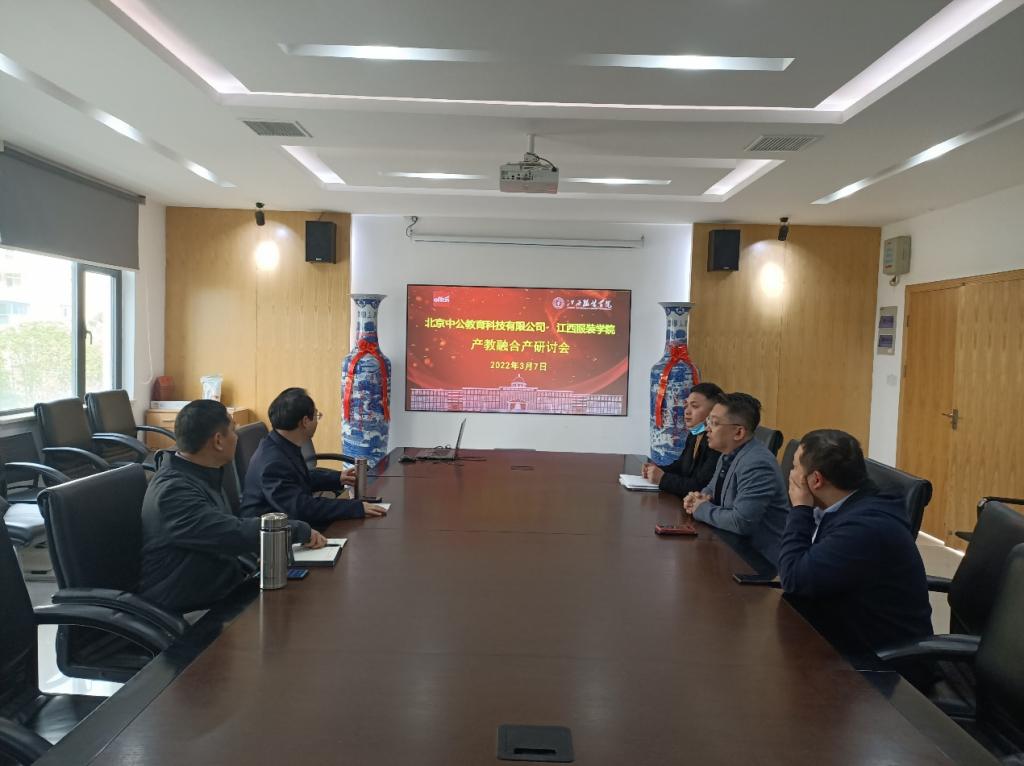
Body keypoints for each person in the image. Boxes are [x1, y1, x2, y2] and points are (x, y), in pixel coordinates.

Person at [140, 399, 324, 613]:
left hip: (223, 587)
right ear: (218, 441)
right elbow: (231, 532)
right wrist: (295, 529)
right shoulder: (173, 492)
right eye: (234, 431)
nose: (237, 438)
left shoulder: (201, 472)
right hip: (191, 611)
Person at [779, 429, 932, 659]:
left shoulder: (864, 528)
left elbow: (793, 578)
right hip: (843, 626)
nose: (790, 474)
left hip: (880, 662)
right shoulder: (848, 504)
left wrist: (800, 508)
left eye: (794, 468)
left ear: (816, 480)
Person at [241, 387, 387, 525]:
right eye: (316, 416)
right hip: (271, 535)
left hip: (290, 523)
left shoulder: (282, 443)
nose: (317, 420)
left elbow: (298, 478)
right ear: (305, 421)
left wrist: (338, 478)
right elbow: (302, 509)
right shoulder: (273, 462)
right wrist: (355, 508)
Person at [682, 392, 789, 567]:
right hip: (730, 547)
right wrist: (698, 497)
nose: (707, 428)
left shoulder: (757, 464)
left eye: (714, 423)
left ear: (738, 432)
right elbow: (711, 489)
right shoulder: (728, 452)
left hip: (758, 562)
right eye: (708, 421)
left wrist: (700, 508)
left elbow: (741, 522)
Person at [641, 382, 723, 497]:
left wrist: (663, 478)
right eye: (686, 406)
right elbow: (680, 466)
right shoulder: (694, 434)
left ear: (714, 411)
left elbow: (701, 487)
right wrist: (656, 469)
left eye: (694, 406)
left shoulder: (717, 442)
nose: (687, 411)